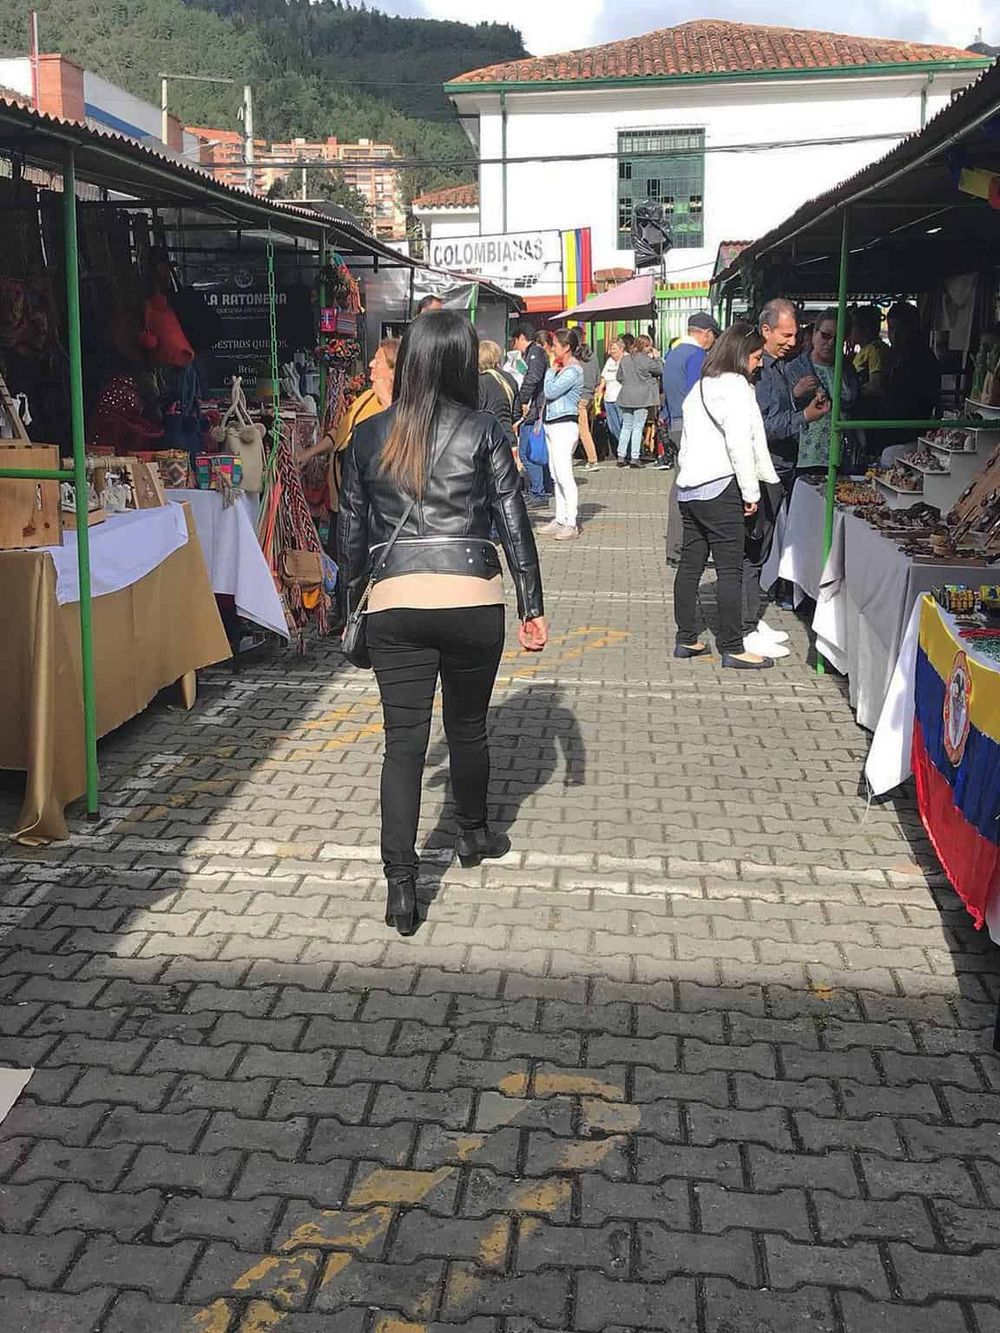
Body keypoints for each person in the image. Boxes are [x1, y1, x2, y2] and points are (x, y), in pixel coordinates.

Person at [338, 311, 547, 936]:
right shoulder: (485, 429)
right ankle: (475, 833)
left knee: (403, 744)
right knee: (468, 726)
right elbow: (514, 522)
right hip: (471, 595)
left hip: (394, 600)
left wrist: (351, 607)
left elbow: (349, 535)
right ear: (461, 362)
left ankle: (401, 885)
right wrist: (532, 605)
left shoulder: (368, 435)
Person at [673, 321, 778, 671]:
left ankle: (686, 637)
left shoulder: (701, 387)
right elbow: (740, 443)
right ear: (742, 354)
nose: (759, 363)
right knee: (730, 569)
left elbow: (686, 441)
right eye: (757, 356)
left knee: (690, 565)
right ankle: (733, 646)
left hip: (690, 488)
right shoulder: (737, 388)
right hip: (721, 487)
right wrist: (751, 491)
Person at [756, 297, 831, 492]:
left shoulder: (781, 364)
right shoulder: (759, 370)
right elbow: (762, 427)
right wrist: (805, 416)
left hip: (784, 467)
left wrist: (800, 401)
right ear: (766, 331)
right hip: (768, 473)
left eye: (795, 335)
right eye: (786, 335)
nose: (793, 342)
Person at [783, 307, 862, 476]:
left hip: (842, 454)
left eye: (838, 338)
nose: (831, 343)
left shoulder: (848, 370)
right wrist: (795, 394)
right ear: (813, 334)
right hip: (805, 456)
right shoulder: (794, 368)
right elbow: (779, 413)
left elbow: (855, 406)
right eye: (825, 336)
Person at [540, 328, 584, 540]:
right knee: (555, 474)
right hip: (551, 424)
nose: (552, 348)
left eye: (556, 345)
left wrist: (550, 370)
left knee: (565, 474)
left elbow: (550, 391)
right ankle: (560, 518)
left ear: (566, 348)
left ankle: (571, 522)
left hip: (564, 425)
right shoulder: (562, 368)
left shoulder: (573, 371)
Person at [661, 312, 721, 464]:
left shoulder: (672, 354)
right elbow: (697, 394)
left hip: (674, 422)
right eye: (714, 336)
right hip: (690, 424)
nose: (714, 342)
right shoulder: (697, 355)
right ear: (707, 333)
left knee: (681, 476)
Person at [512, 318, 551, 508]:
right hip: (536, 407)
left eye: (515, 340)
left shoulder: (535, 353)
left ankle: (538, 492)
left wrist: (522, 400)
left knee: (528, 453)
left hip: (535, 409)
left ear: (521, 337)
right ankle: (543, 487)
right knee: (536, 450)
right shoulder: (533, 353)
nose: (515, 345)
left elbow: (532, 379)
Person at [616, 334, 663, 467]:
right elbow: (659, 370)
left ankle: (621, 456)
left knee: (626, 426)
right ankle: (634, 458)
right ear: (646, 346)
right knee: (637, 427)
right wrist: (657, 357)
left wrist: (628, 383)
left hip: (625, 395)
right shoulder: (646, 360)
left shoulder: (624, 359)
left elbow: (619, 377)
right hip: (642, 397)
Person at [568, 329, 600, 471]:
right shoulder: (591, 355)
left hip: (578, 396)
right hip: (589, 396)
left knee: (582, 430)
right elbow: (598, 377)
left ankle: (592, 460)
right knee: (579, 429)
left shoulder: (573, 357)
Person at [478, 338, 519, 449]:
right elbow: (516, 414)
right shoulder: (509, 378)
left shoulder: (479, 382)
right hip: (509, 438)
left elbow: (476, 412)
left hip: (488, 440)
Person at [852, 305, 889, 408]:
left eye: (853, 326)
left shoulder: (874, 350)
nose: (850, 330)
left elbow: (875, 386)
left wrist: (852, 390)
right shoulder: (864, 350)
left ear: (866, 329)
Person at [598, 339, 625, 446]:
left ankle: (626, 451)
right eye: (610, 349)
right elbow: (604, 378)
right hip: (608, 399)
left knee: (624, 426)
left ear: (621, 349)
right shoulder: (609, 361)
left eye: (614, 348)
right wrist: (600, 389)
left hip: (621, 398)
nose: (611, 351)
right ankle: (622, 448)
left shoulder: (625, 360)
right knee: (613, 428)